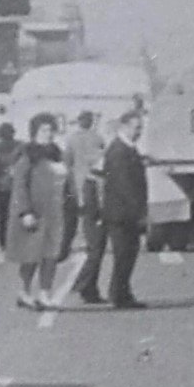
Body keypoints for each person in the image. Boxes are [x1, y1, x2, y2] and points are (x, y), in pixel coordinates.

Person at [7, 114, 69, 310]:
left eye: (51, 130)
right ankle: (24, 292)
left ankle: (45, 293)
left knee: (51, 254)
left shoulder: (56, 153)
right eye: (44, 130)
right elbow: (19, 185)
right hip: (34, 213)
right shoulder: (27, 156)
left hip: (55, 212)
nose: (48, 134)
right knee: (31, 255)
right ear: (34, 132)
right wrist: (25, 212)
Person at [96, 107, 151, 309]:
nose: (139, 132)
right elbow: (124, 184)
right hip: (121, 212)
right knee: (124, 254)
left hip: (123, 211)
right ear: (124, 126)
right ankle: (118, 295)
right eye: (136, 128)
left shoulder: (127, 147)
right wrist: (140, 212)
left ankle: (122, 293)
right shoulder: (119, 150)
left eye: (141, 128)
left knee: (128, 253)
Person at [62, 111, 111, 302]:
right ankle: (84, 285)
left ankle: (88, 288)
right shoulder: (98, 138)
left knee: (92, 243)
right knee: (95, 245)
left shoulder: (71, 140)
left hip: (79, 190)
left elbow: (66, 166)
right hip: (95, 191)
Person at [0, 122, 19, 251]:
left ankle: (4, 243)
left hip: (1, 186)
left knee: (2, 216)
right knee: (18, 214)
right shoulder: (20, 147)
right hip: (17, 185)